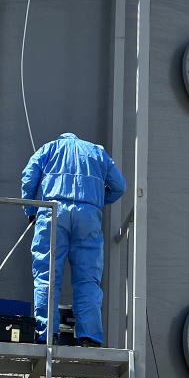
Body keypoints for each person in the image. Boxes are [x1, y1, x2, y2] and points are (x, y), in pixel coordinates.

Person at [22, 132, 126, 347]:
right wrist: (95, 200)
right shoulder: (98, 152)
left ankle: (46, 334)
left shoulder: (48, 149)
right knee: (88, 278)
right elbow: (119, 186)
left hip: (52, 211)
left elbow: (28, 178)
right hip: (88, 216)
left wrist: (31, 209)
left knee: (47, 275)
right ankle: (89, 337)